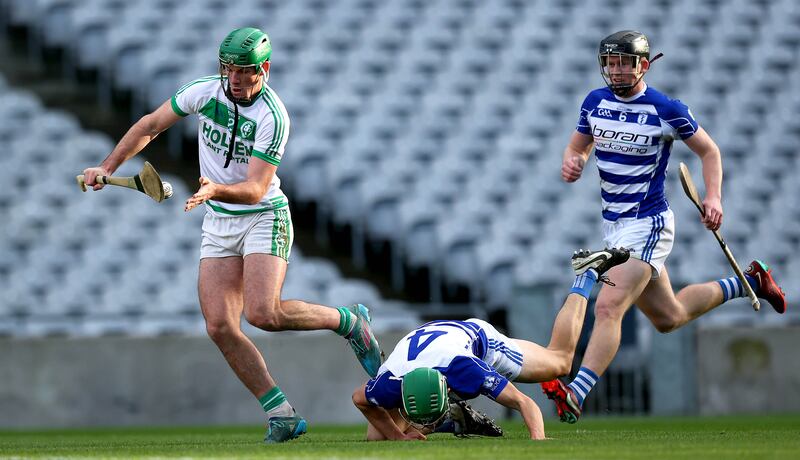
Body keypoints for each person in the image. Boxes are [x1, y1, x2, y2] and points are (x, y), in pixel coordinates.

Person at [81, 27, 383, 443]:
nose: (236, 79)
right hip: (219, 218)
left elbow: (257, 188)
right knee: (220, 325)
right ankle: (281, 413)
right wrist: (108, 167)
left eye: (245, 71)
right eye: (229, 70)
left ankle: (348, 321)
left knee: (264, 314)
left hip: (263, 215)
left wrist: (214, 189)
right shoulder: (205, 92)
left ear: (265, 69)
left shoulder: (273, 117)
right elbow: (151, 125)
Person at [542, 30, 788, 424]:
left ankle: (576, 392)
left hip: (648, 224)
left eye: (624, 62)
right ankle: (751, 282)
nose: (616, 69)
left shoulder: (664, 108)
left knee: (608, 307)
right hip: (614, 227)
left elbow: (710, 151)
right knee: (669, 317)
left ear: (643, 64)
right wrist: (573, 161)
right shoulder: (594, 102)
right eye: (611, 62)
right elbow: (578, 146)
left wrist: (714, 197)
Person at [351, 248, 631, 441]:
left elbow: (524, 403)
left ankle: (586, 276)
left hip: (481, 340)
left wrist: (539, 439)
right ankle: (455, 418)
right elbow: (359, 399)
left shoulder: (467, 370)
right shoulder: (390, 383)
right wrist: (400, 438)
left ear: (448, 387)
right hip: (433, 341)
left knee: (560, 361)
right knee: (378, 436)